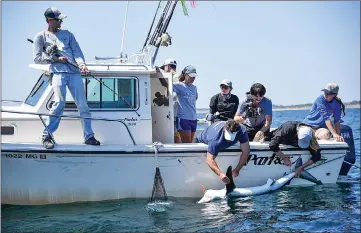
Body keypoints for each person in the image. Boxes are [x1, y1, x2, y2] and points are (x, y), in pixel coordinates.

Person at [33, 7, 100, 149]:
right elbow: (37, 58)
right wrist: (55, 59)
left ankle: (89, 136)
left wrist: (82, 65)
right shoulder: (40, 37)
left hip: (74, 73)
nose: (61, 22)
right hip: (58, 73)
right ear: (50, 20)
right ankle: (47, 136)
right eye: (58, 20)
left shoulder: (68, 34)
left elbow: (77, 52)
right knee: (59, 103)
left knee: (83, 105)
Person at [195, 119, 250, 184]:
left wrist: (237, 169)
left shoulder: (242, 130)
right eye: (229, 137)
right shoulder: (215, 139)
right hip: (202, 141)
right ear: (224, 130)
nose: (230, 140)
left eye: (232, 137)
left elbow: (246, 152)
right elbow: (209, 160)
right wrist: (220, 174)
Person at [158, 58, 182, 143]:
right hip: (175, 110)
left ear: (167, 66)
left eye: (163, 68)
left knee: (174, 129)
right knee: (174, 129)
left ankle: (178, 149)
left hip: (174, 110)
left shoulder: (175, 76)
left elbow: (166, 85)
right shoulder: (178, 75)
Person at [173, 65, 198, 143]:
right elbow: (164, 84)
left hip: (193, 118)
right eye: (191, 76)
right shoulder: (178, 85)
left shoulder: (194, 87)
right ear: (185, 75)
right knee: (187, 143)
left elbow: (195, 99)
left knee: (190, 143)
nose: (193, 78)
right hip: (183, 118)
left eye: (194, 76)